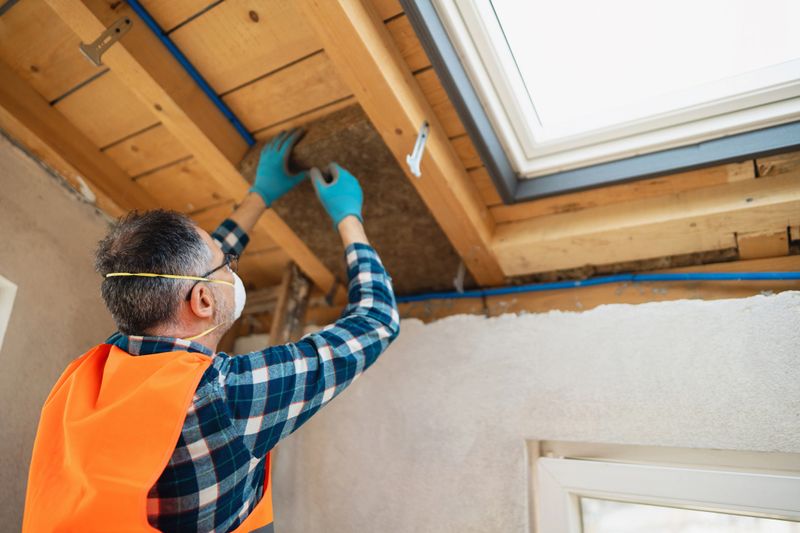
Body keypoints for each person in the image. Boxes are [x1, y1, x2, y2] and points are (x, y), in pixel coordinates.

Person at [22, 130, 400, 532]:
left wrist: (259, 197)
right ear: (202, 301)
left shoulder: (88, 374)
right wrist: (348, 217)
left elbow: (185, 274)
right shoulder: (225, 397)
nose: (231, 268)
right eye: (227, 265)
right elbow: (376, 320)